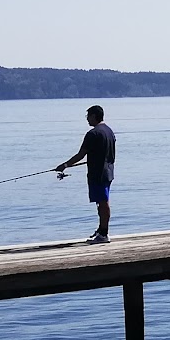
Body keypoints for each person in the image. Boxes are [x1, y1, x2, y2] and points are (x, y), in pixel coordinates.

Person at [55, 104, 117, 243]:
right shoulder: (109, 131)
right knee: (102, 202)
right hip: (108, 172)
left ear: (94, 116)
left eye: (88, 116)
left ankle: (104, 234)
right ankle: (101, 230)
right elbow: (109, 154)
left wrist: (64, 165)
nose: (87, 119)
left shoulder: (93, 134)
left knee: (102, 203)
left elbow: (80, 155)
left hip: (98, 173)